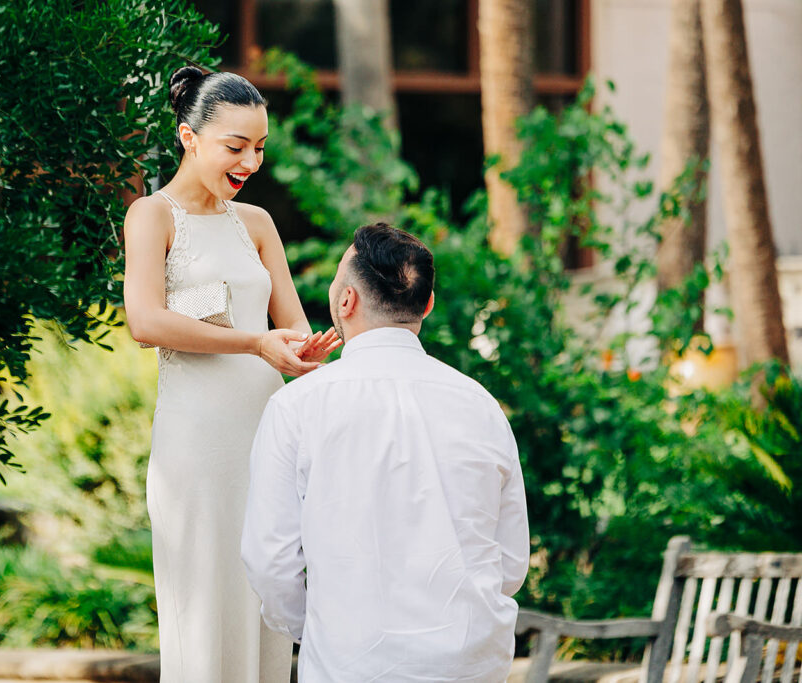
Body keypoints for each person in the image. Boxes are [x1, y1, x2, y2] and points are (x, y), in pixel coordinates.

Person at [123, 66, 340, 683]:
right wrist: (254, 343)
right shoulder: (152, 215)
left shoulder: (258, 224)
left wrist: (310, 353)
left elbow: (292, 331)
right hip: (196, 443)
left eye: (260, 147)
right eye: (236, 146)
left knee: (264, 590)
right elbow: (144, 320)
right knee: (204, 603)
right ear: (189, 138)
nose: (251, 161)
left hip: (267, 439)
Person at [241, 223, 530, 682]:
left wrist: (322, 631)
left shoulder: (297, 405)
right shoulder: (480, 405)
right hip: (470, 664)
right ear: (427, 305)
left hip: (350, 664)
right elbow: (510, 562)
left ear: (346, 301)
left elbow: (271, 561)